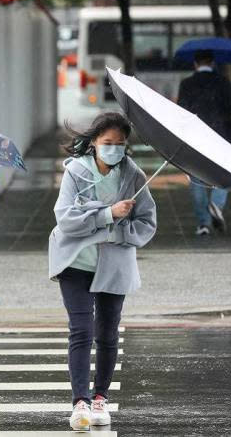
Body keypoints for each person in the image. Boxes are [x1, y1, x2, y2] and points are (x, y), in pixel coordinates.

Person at [48, 113, 157, 431]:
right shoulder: (76, 172)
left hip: (114, 265)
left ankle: (100, 399)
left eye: (120, 145)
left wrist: (120, 233)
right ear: (94, 142)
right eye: (107, 143)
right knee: (80, 330)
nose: (113, 149)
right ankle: (79, 402)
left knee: (108, 334)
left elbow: (147, 222)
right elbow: (65, 220)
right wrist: (108, 214)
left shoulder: (134, 176)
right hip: (76, 262)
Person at [177, 49, 231, 236]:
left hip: (195, 138)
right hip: (220, 136)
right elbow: (230, 109)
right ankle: (216, 204)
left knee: (197, 179)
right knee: (222, 176)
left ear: (195, 64)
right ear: (212, 63)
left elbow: (181, 110)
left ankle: (203, 224)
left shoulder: (187, 84)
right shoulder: (224, 82)